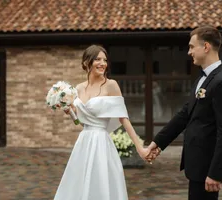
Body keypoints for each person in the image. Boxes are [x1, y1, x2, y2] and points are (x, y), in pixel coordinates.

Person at [146, 25, 222, 200]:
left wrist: (216, 172)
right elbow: (185, 114)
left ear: (206, 47)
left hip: (207, 169)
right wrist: (158, 142)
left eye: (191, 46)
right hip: (196, 166)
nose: (189, 52)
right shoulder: (202, 79)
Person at [54, 45, 151, 200]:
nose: (103, 63)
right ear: (87, 62)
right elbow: (80, 122)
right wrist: (70, 112)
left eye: (105, 60)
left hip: (101, 143)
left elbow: (123, 118)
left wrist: (140, 148)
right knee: (79, 185)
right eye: (98, 59)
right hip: (83, 143)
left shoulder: (111, 85)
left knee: (100, 185)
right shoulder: (78, 88)